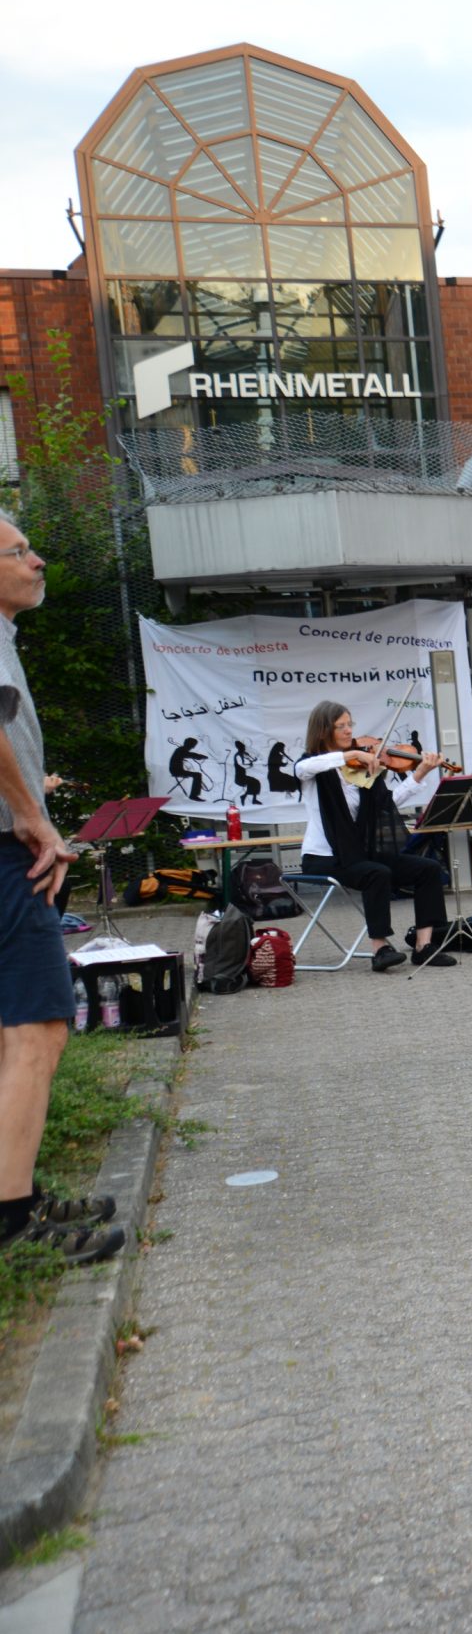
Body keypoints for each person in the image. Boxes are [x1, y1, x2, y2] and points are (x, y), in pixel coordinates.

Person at [0, 513, 121, 1263]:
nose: (38, 560)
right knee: (38, 1026)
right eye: (19, 551)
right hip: (6, 856)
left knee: (13, 1030)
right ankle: (13, 1220)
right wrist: (30, 816)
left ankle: (16, 1191)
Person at [294, 701, 462, 970]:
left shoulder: (359, 771)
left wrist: (419, 773)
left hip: (360, 853)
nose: (349, 731)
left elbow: (386, 804)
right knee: (377, 873)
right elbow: (303, 767)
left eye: (350, 724)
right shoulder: (314, 769)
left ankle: (424, 946)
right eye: (340, 726)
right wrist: (352, 755)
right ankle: (380, 948)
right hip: (324, 857)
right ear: (324, 730)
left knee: (428, 869)